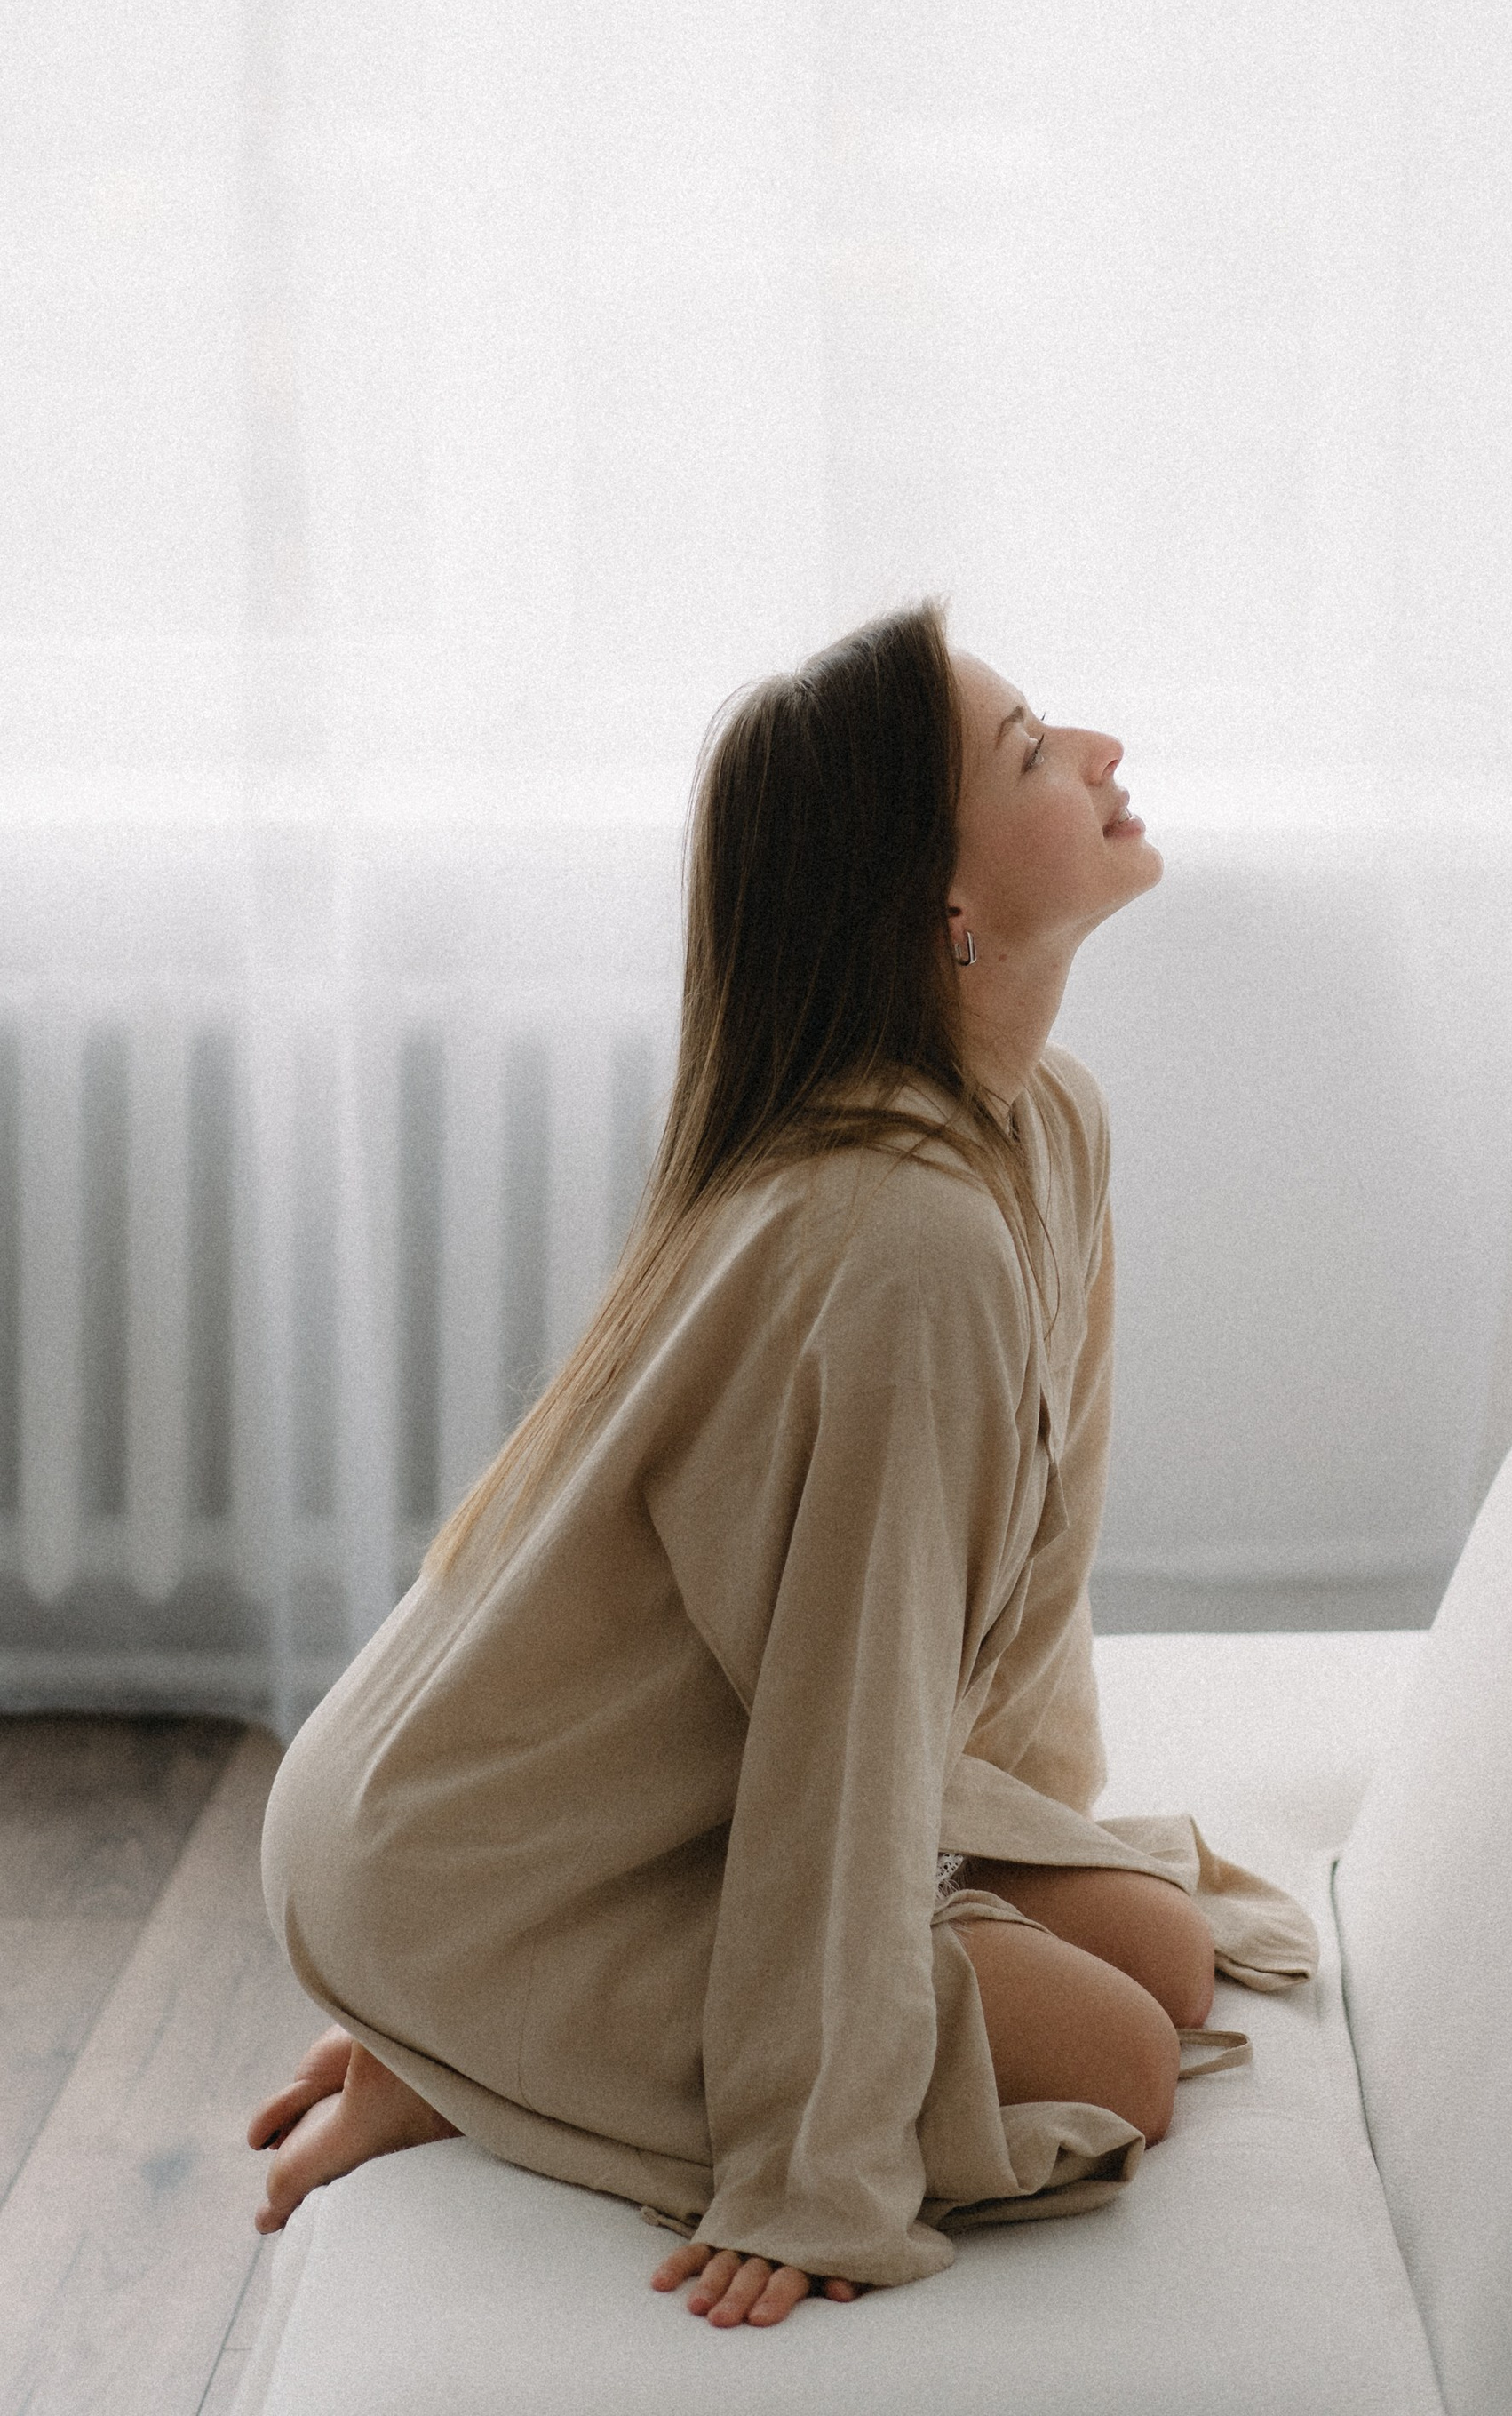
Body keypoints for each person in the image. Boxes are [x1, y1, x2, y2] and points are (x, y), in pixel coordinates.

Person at [246, 603, 1314, 2326]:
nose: (1102, 753)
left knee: (1165, 1953)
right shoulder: (897, 1237)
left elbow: (1023, 1597)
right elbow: (845, 1707)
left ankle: (501, 2052)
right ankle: (465, 2045)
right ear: (942, 911)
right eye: (1035, 753)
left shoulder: (1049, 1128)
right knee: (1119, 2059)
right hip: (468, 1866)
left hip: (624, 1798)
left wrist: (1019, 1840)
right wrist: (808, 2156)